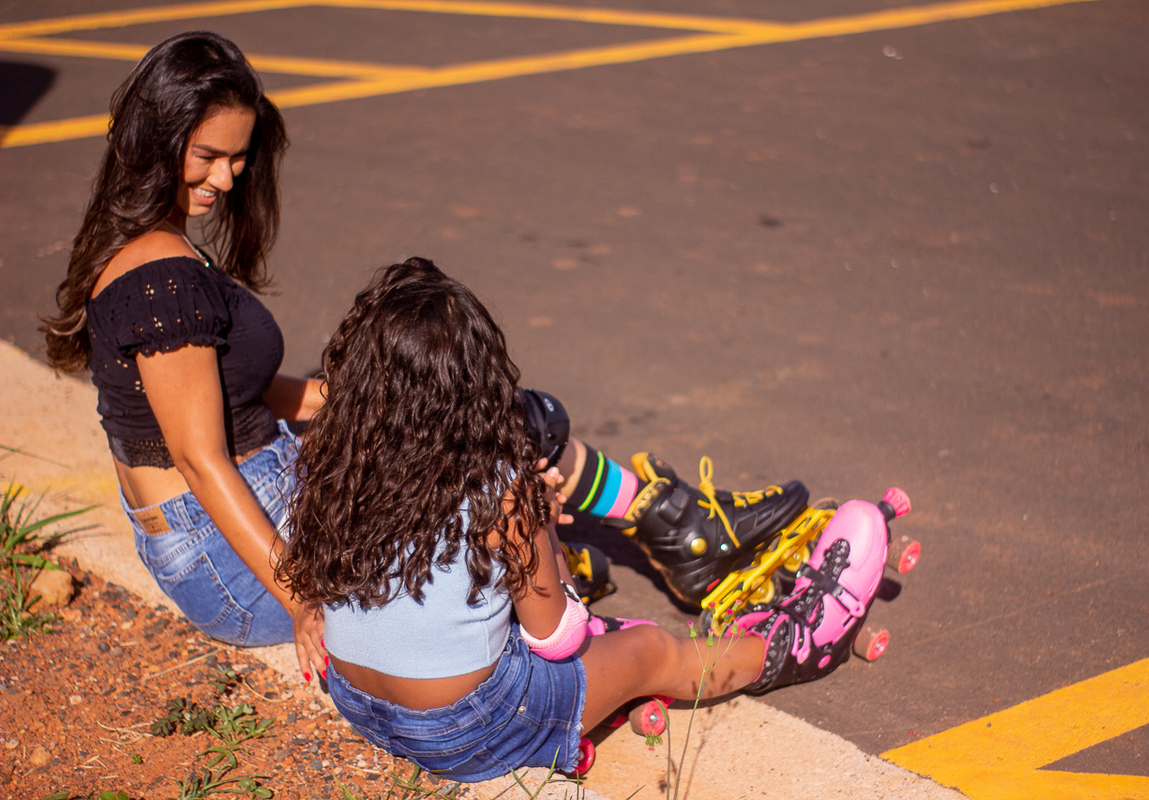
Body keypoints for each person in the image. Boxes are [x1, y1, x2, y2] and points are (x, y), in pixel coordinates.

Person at [39, 30, 814, 682]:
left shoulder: (151, 249)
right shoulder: (160, 278)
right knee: (491, 452)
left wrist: (341, 399)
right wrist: (304, 594)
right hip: (236, 560)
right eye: (208, 155)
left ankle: (660, 528)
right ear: (160, 134)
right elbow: (199, 456)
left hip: (249, 507)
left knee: (475, 409)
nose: (227, 177)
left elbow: (232, 392)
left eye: (238, 158)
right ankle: (655, 553)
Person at [278, 259, 891, 779]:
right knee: (651, 647)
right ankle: (799, 642)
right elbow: (556, 638)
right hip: (462, 732)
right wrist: (543, 525)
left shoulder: (335, 460)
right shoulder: (500, 492)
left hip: (357, 698)